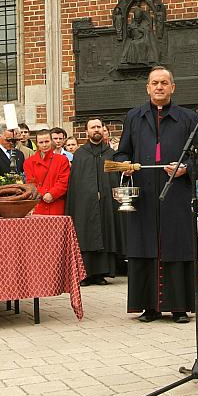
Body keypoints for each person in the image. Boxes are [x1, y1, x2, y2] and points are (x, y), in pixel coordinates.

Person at [114, 66, 198, 324]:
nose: (159, 87)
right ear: (147, 87)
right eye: (155, 83)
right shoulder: (134, 117)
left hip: (176, 193)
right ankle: (150, 307)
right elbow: (122, 153)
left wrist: (186, 168)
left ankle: (179, 307)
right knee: (146, 245)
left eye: (164, 83)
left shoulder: (188, 117)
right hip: (143, 193)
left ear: (172, 87)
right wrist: (125, 165)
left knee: (176, 246)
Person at [66, 118, 124, 286]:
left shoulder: (110, 153)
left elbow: (114, 179)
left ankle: (100, 274)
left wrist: (105, 192)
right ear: (87, 132)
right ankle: (85, 274)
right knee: (85, 234)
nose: (96, 130)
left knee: (105, 233)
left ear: (103, 129)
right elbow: (77, 181)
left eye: (99, 127)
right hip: (85, 203)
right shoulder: (80, 154)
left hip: (106, 202)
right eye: (93, 127)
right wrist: (90, 194)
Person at [23, 130, 71, 215]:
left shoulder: (62, 160)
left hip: (57, 204)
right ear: (37, 143)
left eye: (47, 141)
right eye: (41, 142)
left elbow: (64, 181)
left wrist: (52, 194)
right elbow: (31, 183)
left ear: (51, 142)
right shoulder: (29, 162)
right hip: (38, 205)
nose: (44, 145)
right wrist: (44, 194)